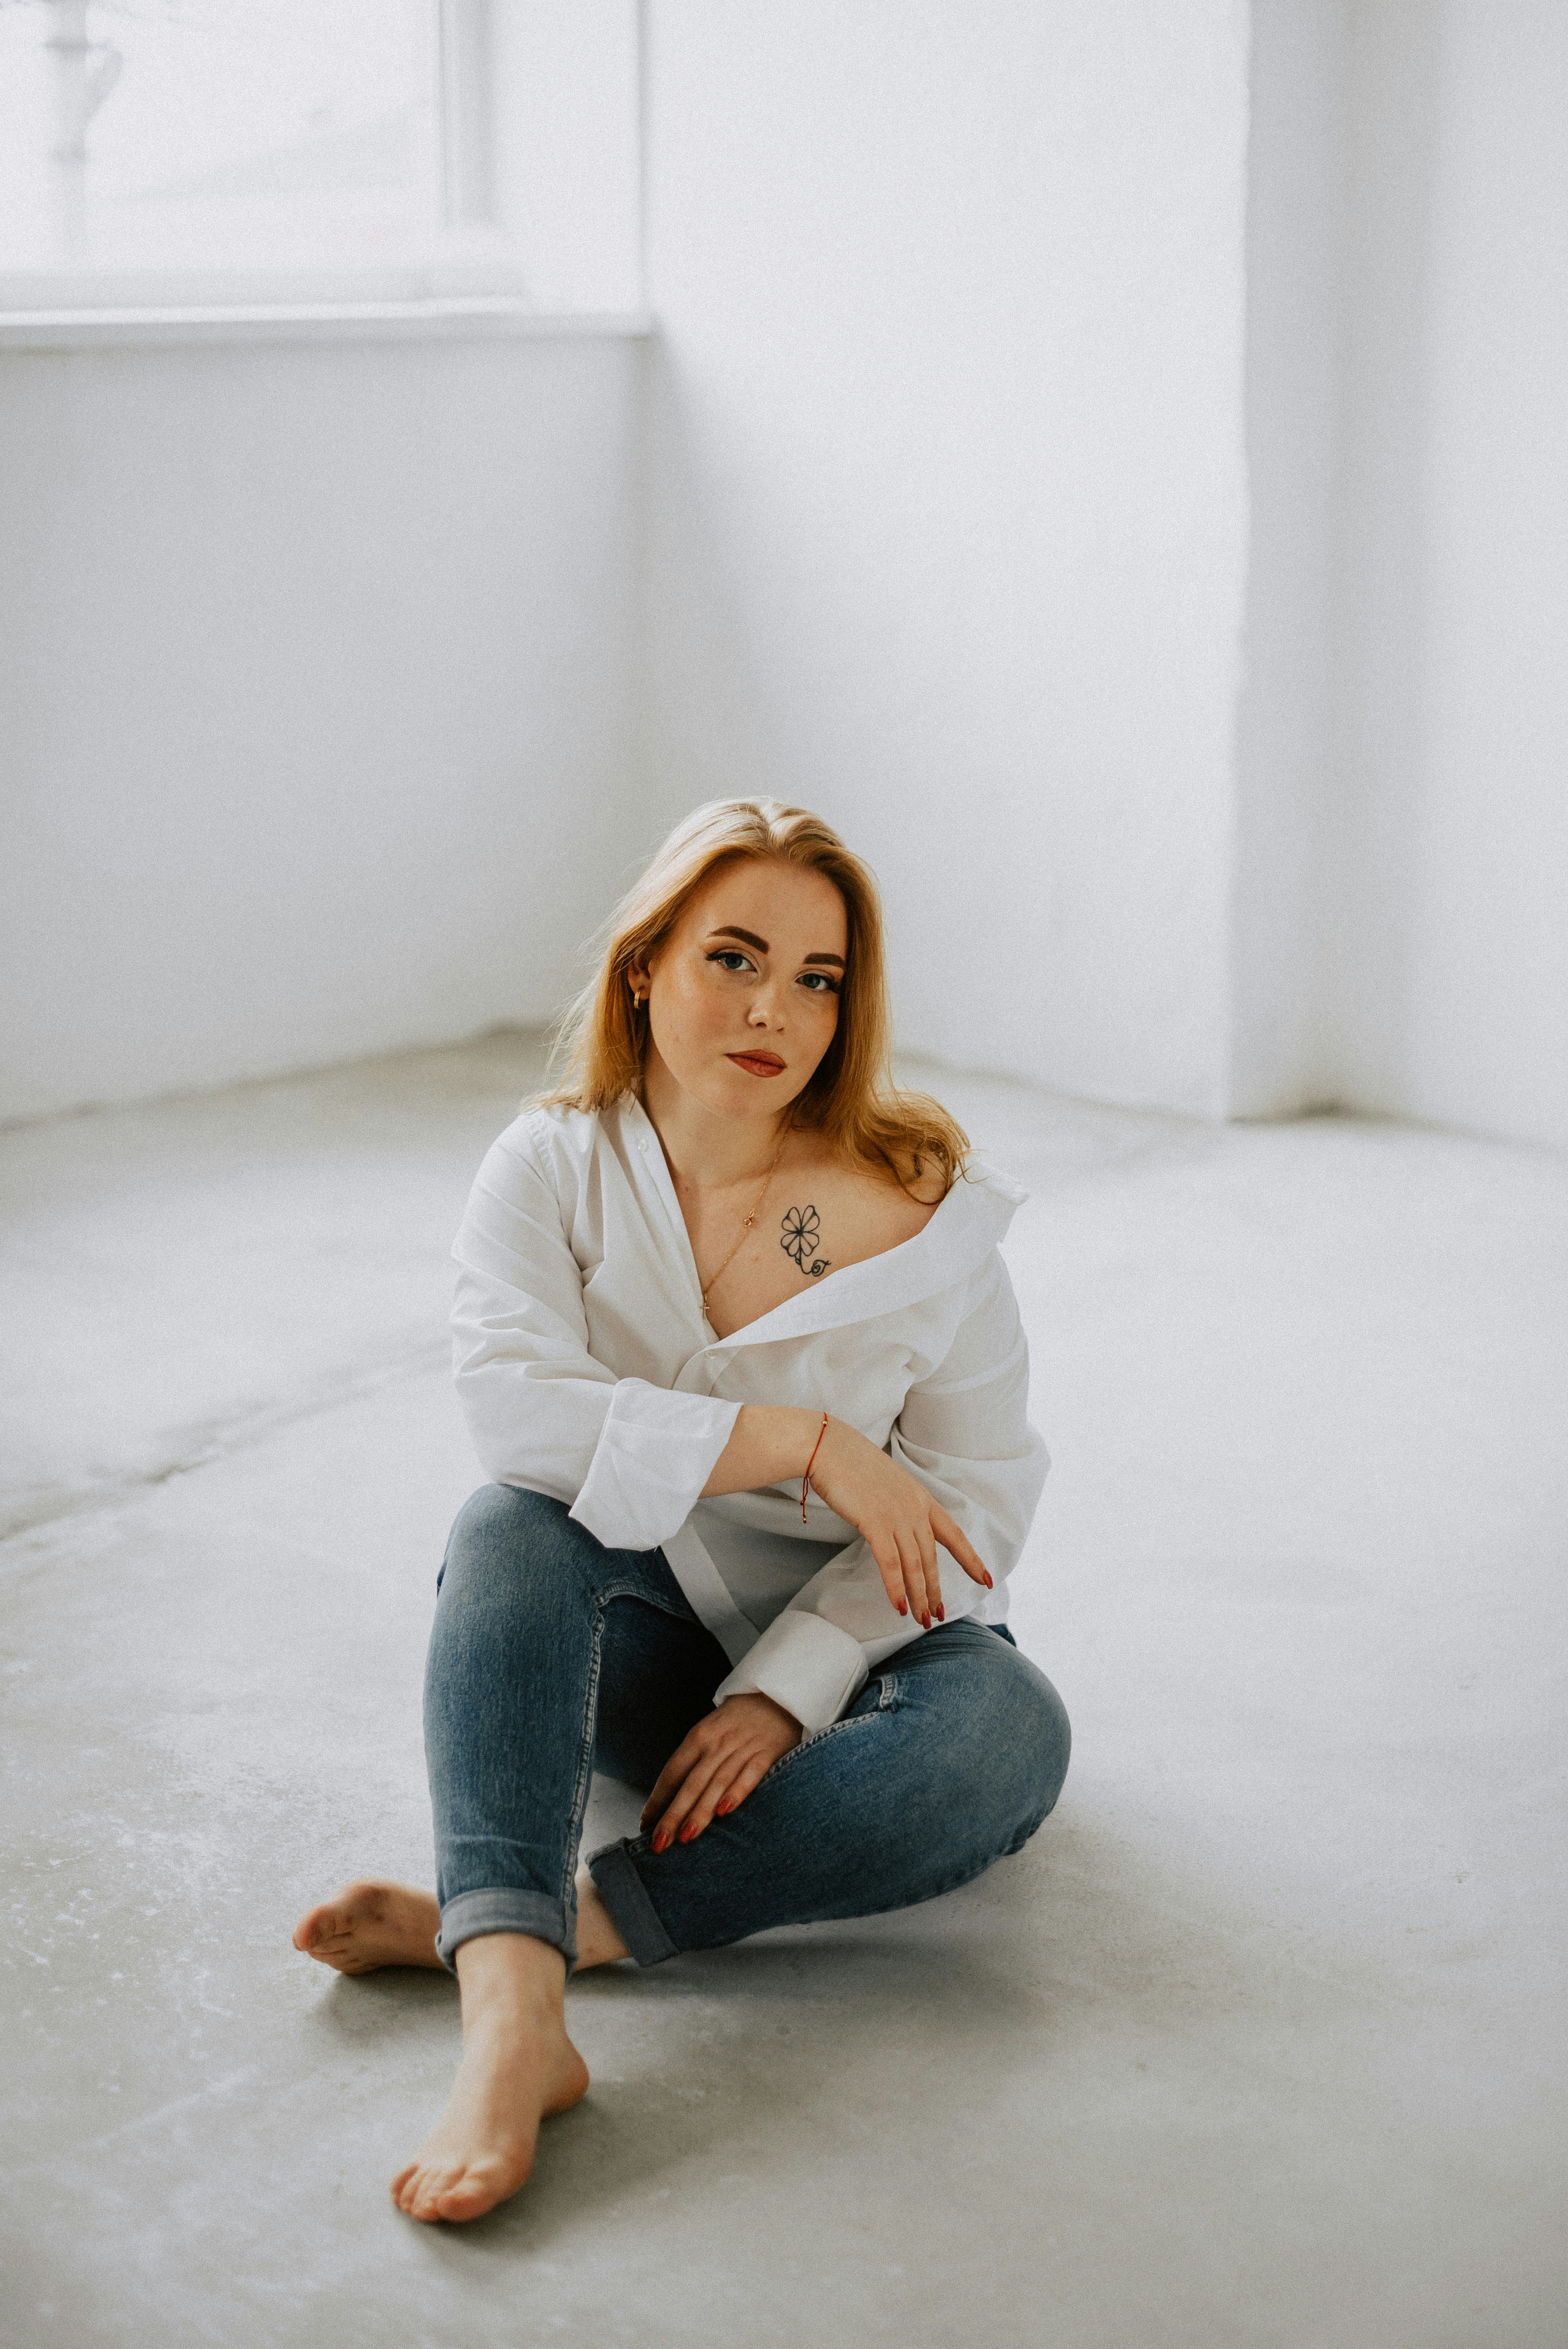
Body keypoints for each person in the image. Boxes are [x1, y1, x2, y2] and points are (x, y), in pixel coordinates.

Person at [293, 798, 1071, 2225]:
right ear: (645, 965)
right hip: (636, 1644)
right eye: (733, 957)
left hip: (871, 1666)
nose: (775, 1009)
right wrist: (806, 1441)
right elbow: (518, 1417)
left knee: (1011, 1733)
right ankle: (514, 2025)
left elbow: (975, 1499)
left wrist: (788, 1689)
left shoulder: (925, 1211)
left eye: (819, 979)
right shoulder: (551, 1165)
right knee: (504, 1530)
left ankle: (553, 1930)